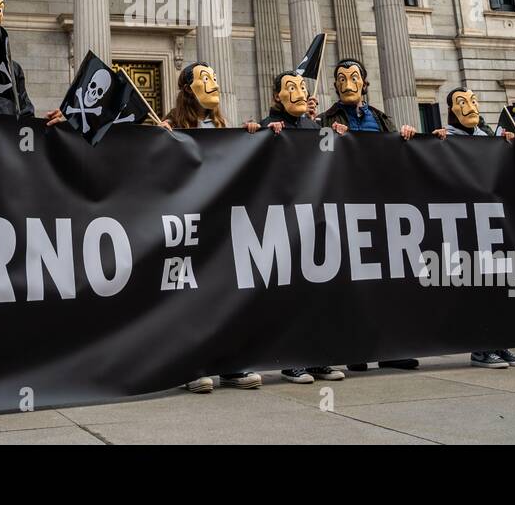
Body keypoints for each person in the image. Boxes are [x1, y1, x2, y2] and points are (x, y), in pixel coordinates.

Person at [160, 61, 263, 393]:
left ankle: (231, 365)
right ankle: (192, 365)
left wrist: (249, 139)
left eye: (215, 77)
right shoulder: (171, 125)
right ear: (189, 89)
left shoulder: (223, 126)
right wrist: (158, 139)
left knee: (225, 294)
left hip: (220, 224)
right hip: (188, 221)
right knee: (190, 296)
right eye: (205, 79)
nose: (214, 83)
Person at [315, 59, 418, 373]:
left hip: (379, 207)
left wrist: (406, 137)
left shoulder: (380, 118)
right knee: (349, 282)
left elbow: (396, 157)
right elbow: (313, 157)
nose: (348, 83)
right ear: (334, 85)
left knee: (385, 279)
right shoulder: (326, 119)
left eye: (354, 77)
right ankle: (354, 347)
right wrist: (326, 135)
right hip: (344, 207)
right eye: (342, 78)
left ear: (364, 83)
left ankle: (389, 348)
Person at [417, 87, 515, 370]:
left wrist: (509, 143)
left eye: (474, 101)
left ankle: (500, 343)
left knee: (497, 286)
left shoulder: (489, 140)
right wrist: (431, 142)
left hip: (492, 222)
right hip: (463, 224)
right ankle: (480, 348)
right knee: (475, 287)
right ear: (451, 110)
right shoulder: (445, 139)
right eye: (461, 102)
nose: (470, 107)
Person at [259, 69, 346, 383]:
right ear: (277, 97)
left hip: (317, 219)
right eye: (289, 87)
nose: (297, 91)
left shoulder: (314, 126)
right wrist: (262, 133)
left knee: (318, 293)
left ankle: (319, 355)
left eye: (300, 86)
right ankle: (292, 358)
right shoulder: (270, 126)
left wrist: (340, 136)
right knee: (290, 293)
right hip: (282, 220)